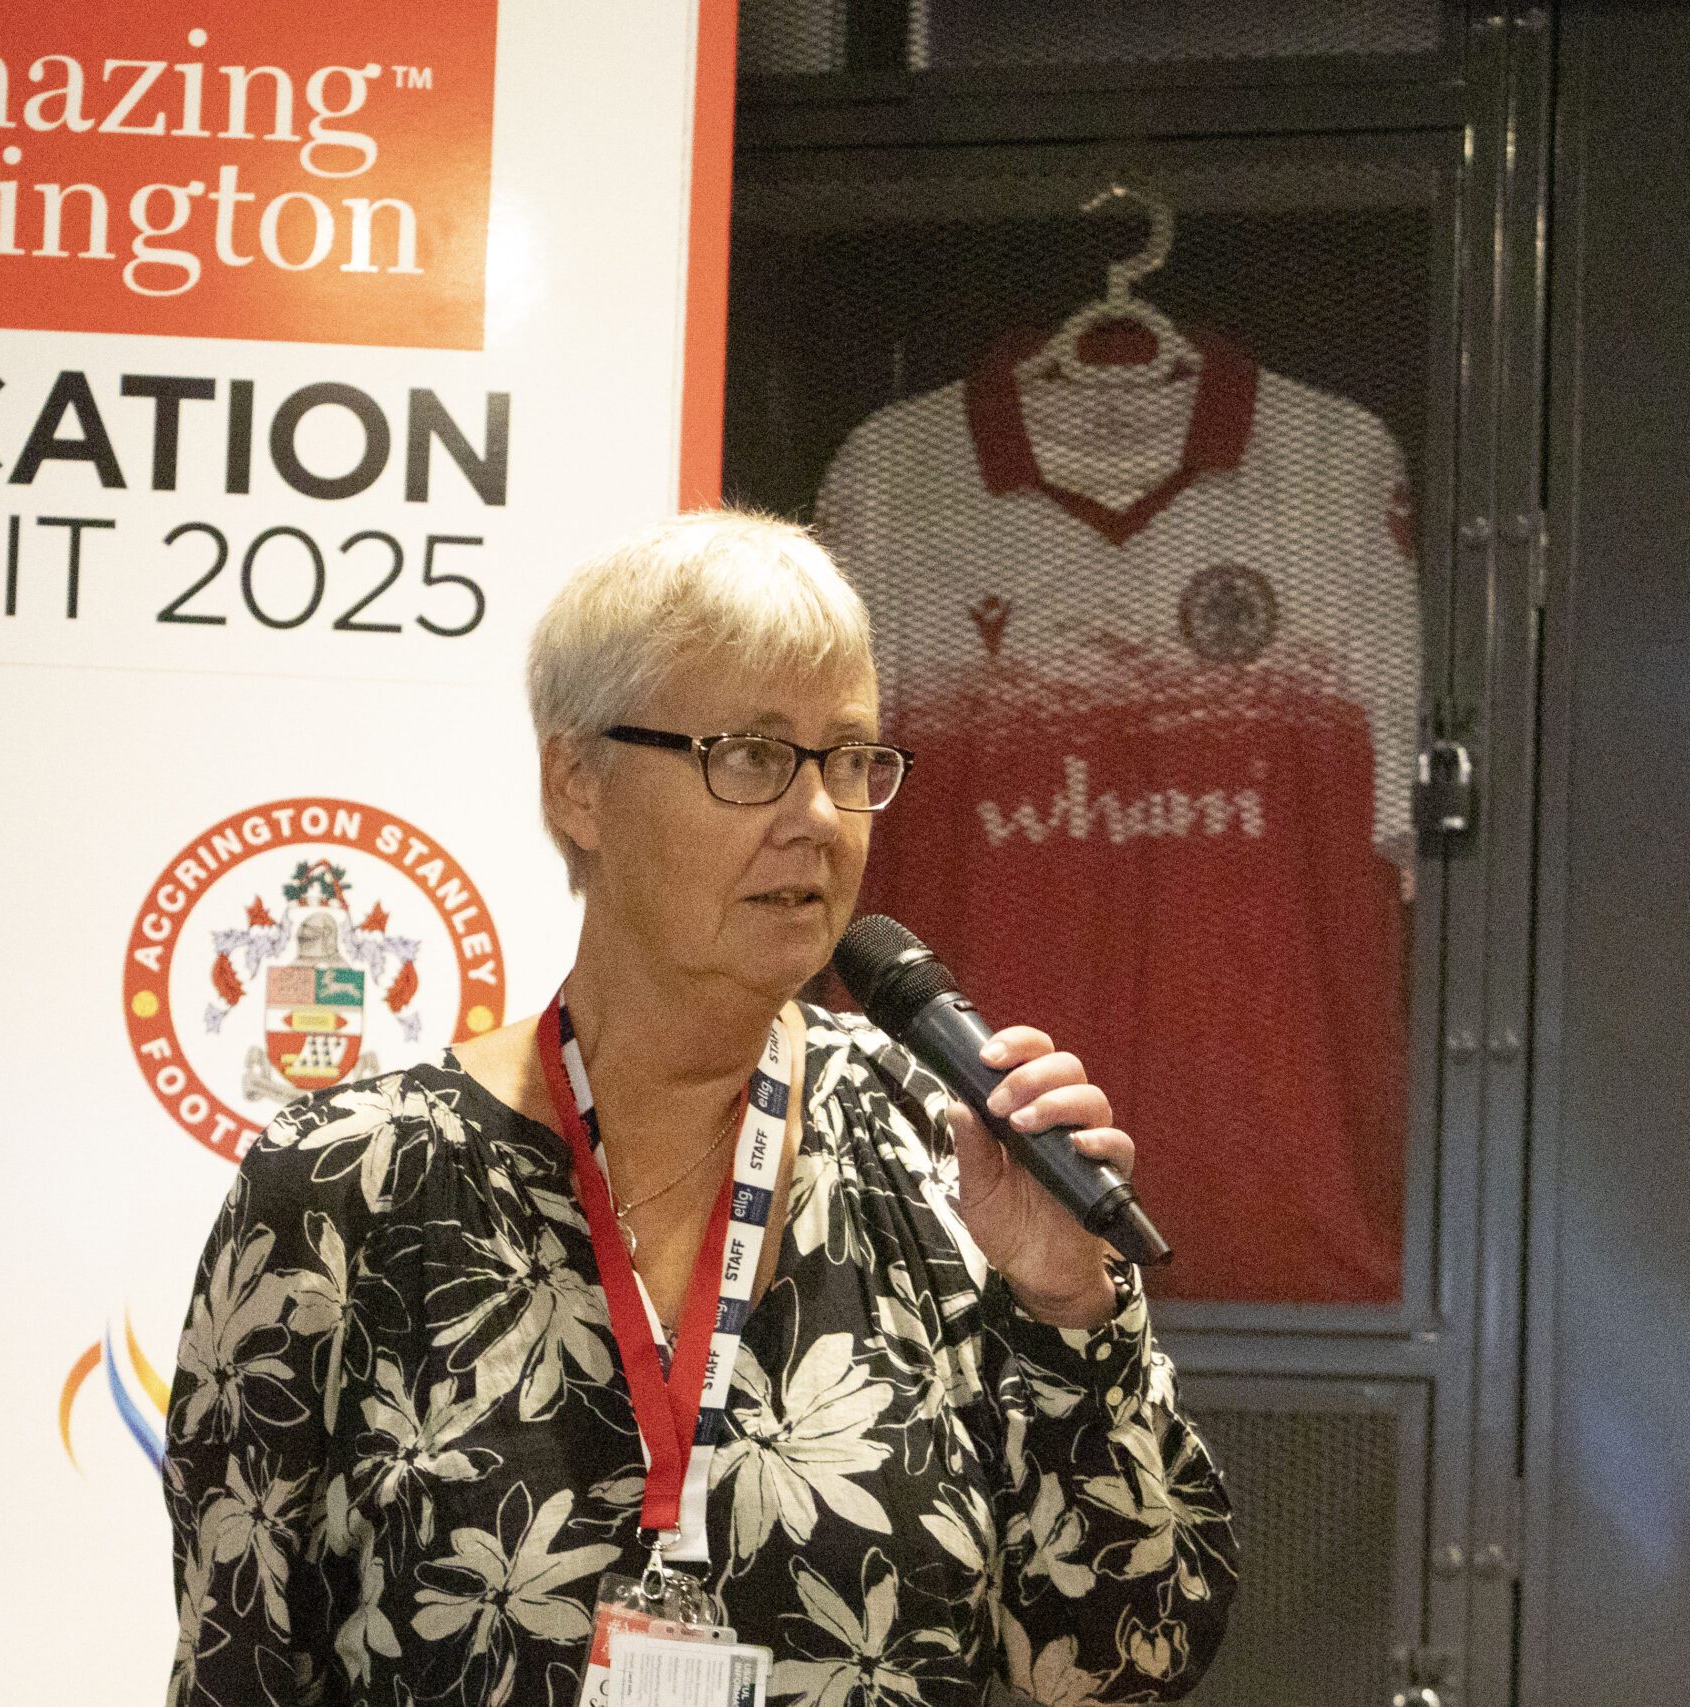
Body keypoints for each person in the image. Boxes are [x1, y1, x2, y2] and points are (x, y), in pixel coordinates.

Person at [164, 510, 1238, 1707]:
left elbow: (1129, 1660)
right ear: (578, 783)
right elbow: (238, 1669)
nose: (818, 816)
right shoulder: (343, 1188)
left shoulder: (946, 1148)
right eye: (751, 756)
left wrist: (1066, 1312)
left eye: (849, 758)